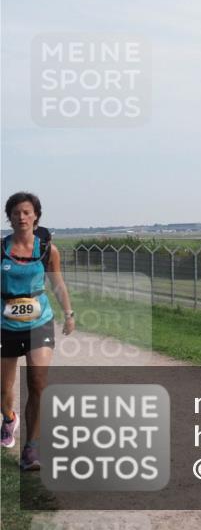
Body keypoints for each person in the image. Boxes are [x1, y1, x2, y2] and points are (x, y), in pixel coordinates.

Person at [1, 192, 75, 470]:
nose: (22, 217)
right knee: (3, 389)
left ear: (36, 217)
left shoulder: (47, 250)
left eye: (27, 212)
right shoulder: (1, 249)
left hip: (39, 322)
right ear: (10, 217)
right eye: (16, 212)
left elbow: (57, 284)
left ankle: (31, 449)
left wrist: (68, 314)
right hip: (5, 325)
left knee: (37, 383)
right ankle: (9, 419)